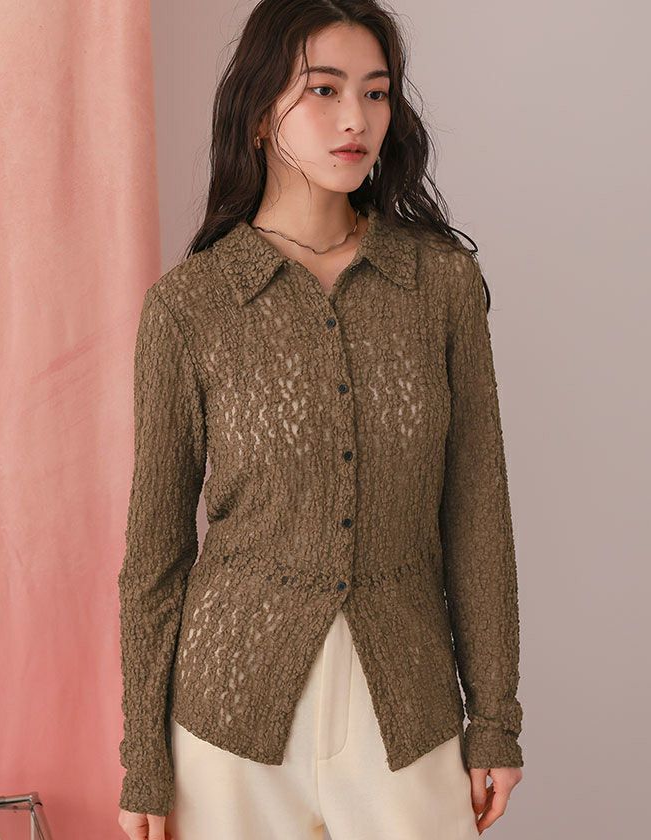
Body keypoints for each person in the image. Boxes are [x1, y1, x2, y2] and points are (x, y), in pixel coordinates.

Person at [117, 2, 525, 839]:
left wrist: (494, 719)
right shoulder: (190, 307)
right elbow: (155, 557)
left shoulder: (439, 285)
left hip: (406, 707)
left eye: (376, 93)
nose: (356, 119)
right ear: (260, 113)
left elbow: (477, 513)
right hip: (228, 718)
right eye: (324, 89)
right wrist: (145, 762)